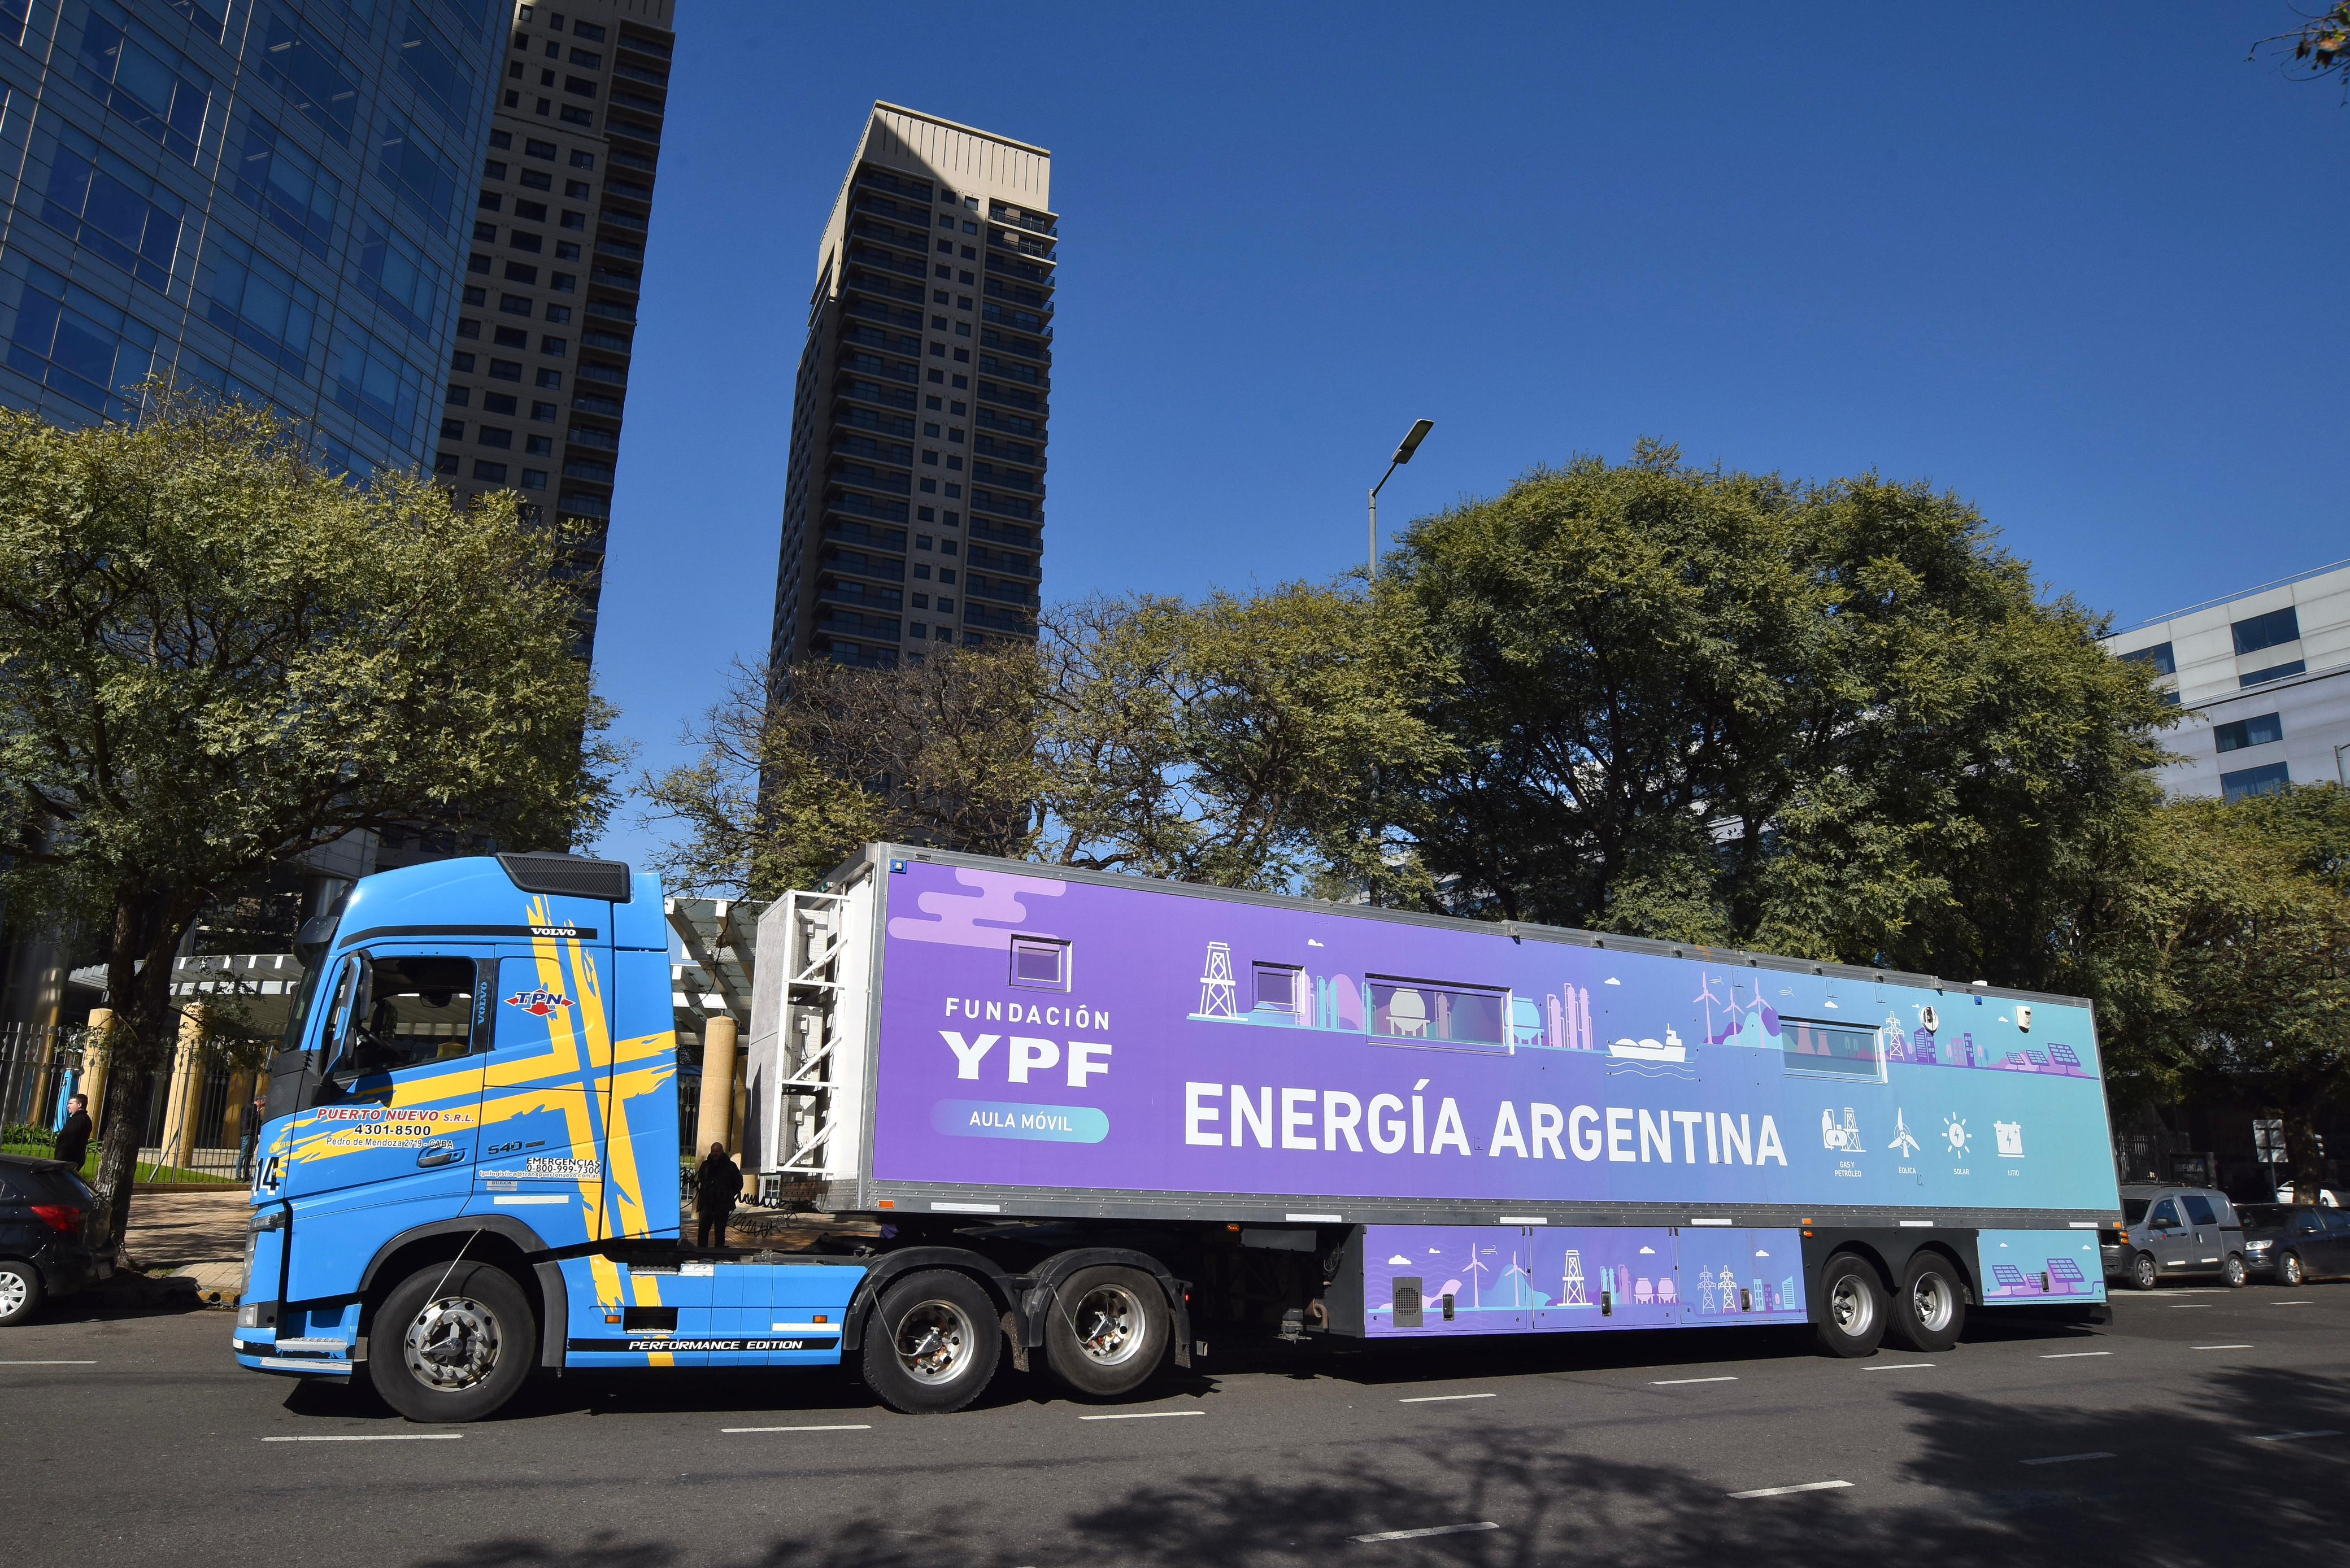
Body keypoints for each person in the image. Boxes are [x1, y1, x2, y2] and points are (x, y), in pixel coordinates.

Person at [694, 1141, 742, 1250]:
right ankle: (701, 1253)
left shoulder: (730, 1166)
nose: (715, 1154)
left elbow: (739, 1183)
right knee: (702, 1233)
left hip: (722, 1206)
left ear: (722, 1152)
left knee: (720, 1234)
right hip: (707, 1205)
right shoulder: (706, 1165)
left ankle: (718, 1255)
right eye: (713, 1151)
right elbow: (701, 1181)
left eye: (717, 1151)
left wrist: (728, 1194)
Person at [53, 1094, 91, 1172]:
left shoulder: (79, 1120)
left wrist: (60, 1157)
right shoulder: (79, 1118)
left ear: (79, 1105)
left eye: (71, 1103)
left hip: (69, 1159)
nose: (68, 1106)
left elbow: (68, 1139)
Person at [237, 1090, 266, 1181]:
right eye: (263, 1104)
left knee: (250, 1156)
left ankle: (246, 1175)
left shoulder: (256, 1111)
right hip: (247, 1134)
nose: (263, 1107)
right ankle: (238, 1175)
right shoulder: (248, 1109)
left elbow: (257, 1124)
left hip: (253, 1135)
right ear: (258, 1102)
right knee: (243, 1155)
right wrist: (258, 1113)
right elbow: (248, 1121)